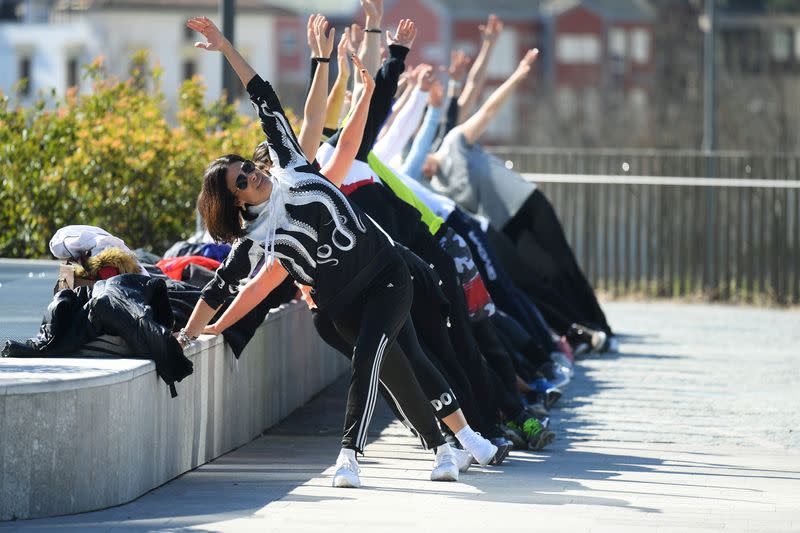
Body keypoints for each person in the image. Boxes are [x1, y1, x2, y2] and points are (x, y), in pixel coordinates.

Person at [182, 15, 497, 488]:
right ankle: (454, 444)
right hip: (339, 303)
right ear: (237, 200)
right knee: (396, 364)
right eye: (242, 181)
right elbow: (230, 285)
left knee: (374, 356)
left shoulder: (294, 164)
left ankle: (349, 454)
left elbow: (266, 96)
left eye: (248, 166)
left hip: (387, 272)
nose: (254, 174)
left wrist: (226, 44)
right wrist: (195, 331)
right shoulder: (259, 238)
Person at [420, 48, 617, 346]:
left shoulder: (453, 143)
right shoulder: (437, 190)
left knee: (564, 265)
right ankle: (584, 327)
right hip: (505, 222)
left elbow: (486, 110)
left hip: (528, 204)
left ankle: (602, 325)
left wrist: (518, 75)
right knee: (545, 274)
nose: (421, 168)